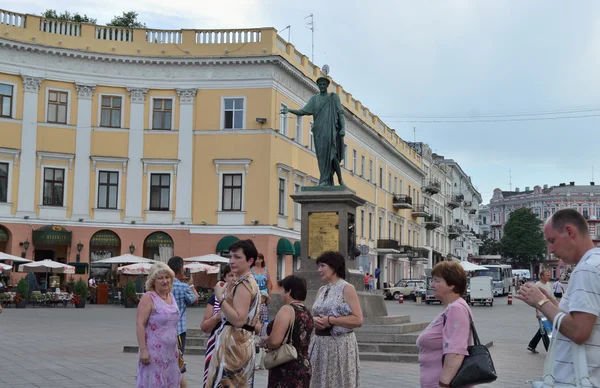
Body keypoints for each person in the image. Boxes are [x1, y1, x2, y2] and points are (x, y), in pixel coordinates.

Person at [517, 209, 600, 386]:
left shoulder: (586, 269)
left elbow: (579, 332)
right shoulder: (596, 263)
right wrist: (555, 304)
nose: (551, 249)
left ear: (570, 231)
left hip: (578, 380)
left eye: (552, 241)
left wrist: (541, 302)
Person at [205, 239, 261, 388]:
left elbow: (238, 320)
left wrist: (219, 297)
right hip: (239, 342)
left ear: (250, 261)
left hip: (236, 344)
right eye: (230, 257)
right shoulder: (246, 282)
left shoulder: (245, 283)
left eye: (237, 257)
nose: (232, 261)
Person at [416, 261, 474, 388]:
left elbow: (456, 350)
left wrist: (444, 383)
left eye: (437, 281)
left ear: (452, 285)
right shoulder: (450, 307)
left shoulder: (456, 308)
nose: (432, 285)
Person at [310, 251, 363, 388]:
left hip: (339, 346)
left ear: (334, 267)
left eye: (322, 266)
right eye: (319, 266)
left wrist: (331, 320)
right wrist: (314, 320)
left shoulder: (347, 288)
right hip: (319, 345)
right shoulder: (322, 289)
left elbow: (358, 320)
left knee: (337, 382)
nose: (319, 270)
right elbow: (314, 313)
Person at [280, 75, 345, 186]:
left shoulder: (333, 98)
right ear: (318, 85)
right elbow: (303, 111)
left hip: (330, 131)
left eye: (324, 84)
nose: (322, 86)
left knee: (332, 155)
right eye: (320, 84)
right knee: (321, 157)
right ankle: (325, 180)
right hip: (318, 132)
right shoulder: (314, 99)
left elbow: (341, 113)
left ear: (328, 85)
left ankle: (339, 179)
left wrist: (343, 128)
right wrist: (289, 110)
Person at [263, 275, 314, 388]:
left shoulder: (287, 309)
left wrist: (265, 342)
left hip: (286, 364)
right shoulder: (307, 312)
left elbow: (275, 341)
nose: (280, 292)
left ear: (289, 290)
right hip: (303, 364)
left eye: (282, 289)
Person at [136, 262, 181, 388]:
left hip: (171, 353)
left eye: (167, 277)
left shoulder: (171, 296)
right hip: (153, 353)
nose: (165, 281)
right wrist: (143, 350)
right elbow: (140, 324)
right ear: (153, 281)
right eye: (160, 278)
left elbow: (173, 325)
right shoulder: (148, 298)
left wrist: (178, 348)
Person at [201, 265, 236, 388]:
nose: (234, 278)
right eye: (231, 275)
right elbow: (204, 327)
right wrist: (216, 317)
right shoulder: (215, 297)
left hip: (236, 346)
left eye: (237, 275)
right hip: (216, 344)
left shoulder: (244, 298)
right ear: (224, 277)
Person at [526, 269, 553, 354]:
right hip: (541, 310)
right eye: (547, 275)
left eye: (549, 275)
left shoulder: (549, 284)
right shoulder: (537, 286)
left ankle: (532, 345)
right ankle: (549, 350)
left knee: (542, 329)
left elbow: (551, 297)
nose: (549, 277)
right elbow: (535, 300)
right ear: (542, 276)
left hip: (549, 309)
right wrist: (537, 312)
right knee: (544, 330)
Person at [255, 290, 269, 370]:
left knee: (258, 346)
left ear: (263, 298)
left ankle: (256, 364)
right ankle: (262, 365)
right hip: (263, 328)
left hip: (260, 329)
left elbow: (259, 319)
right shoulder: (264, 306)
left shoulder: (260, 307)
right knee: (262, 347)